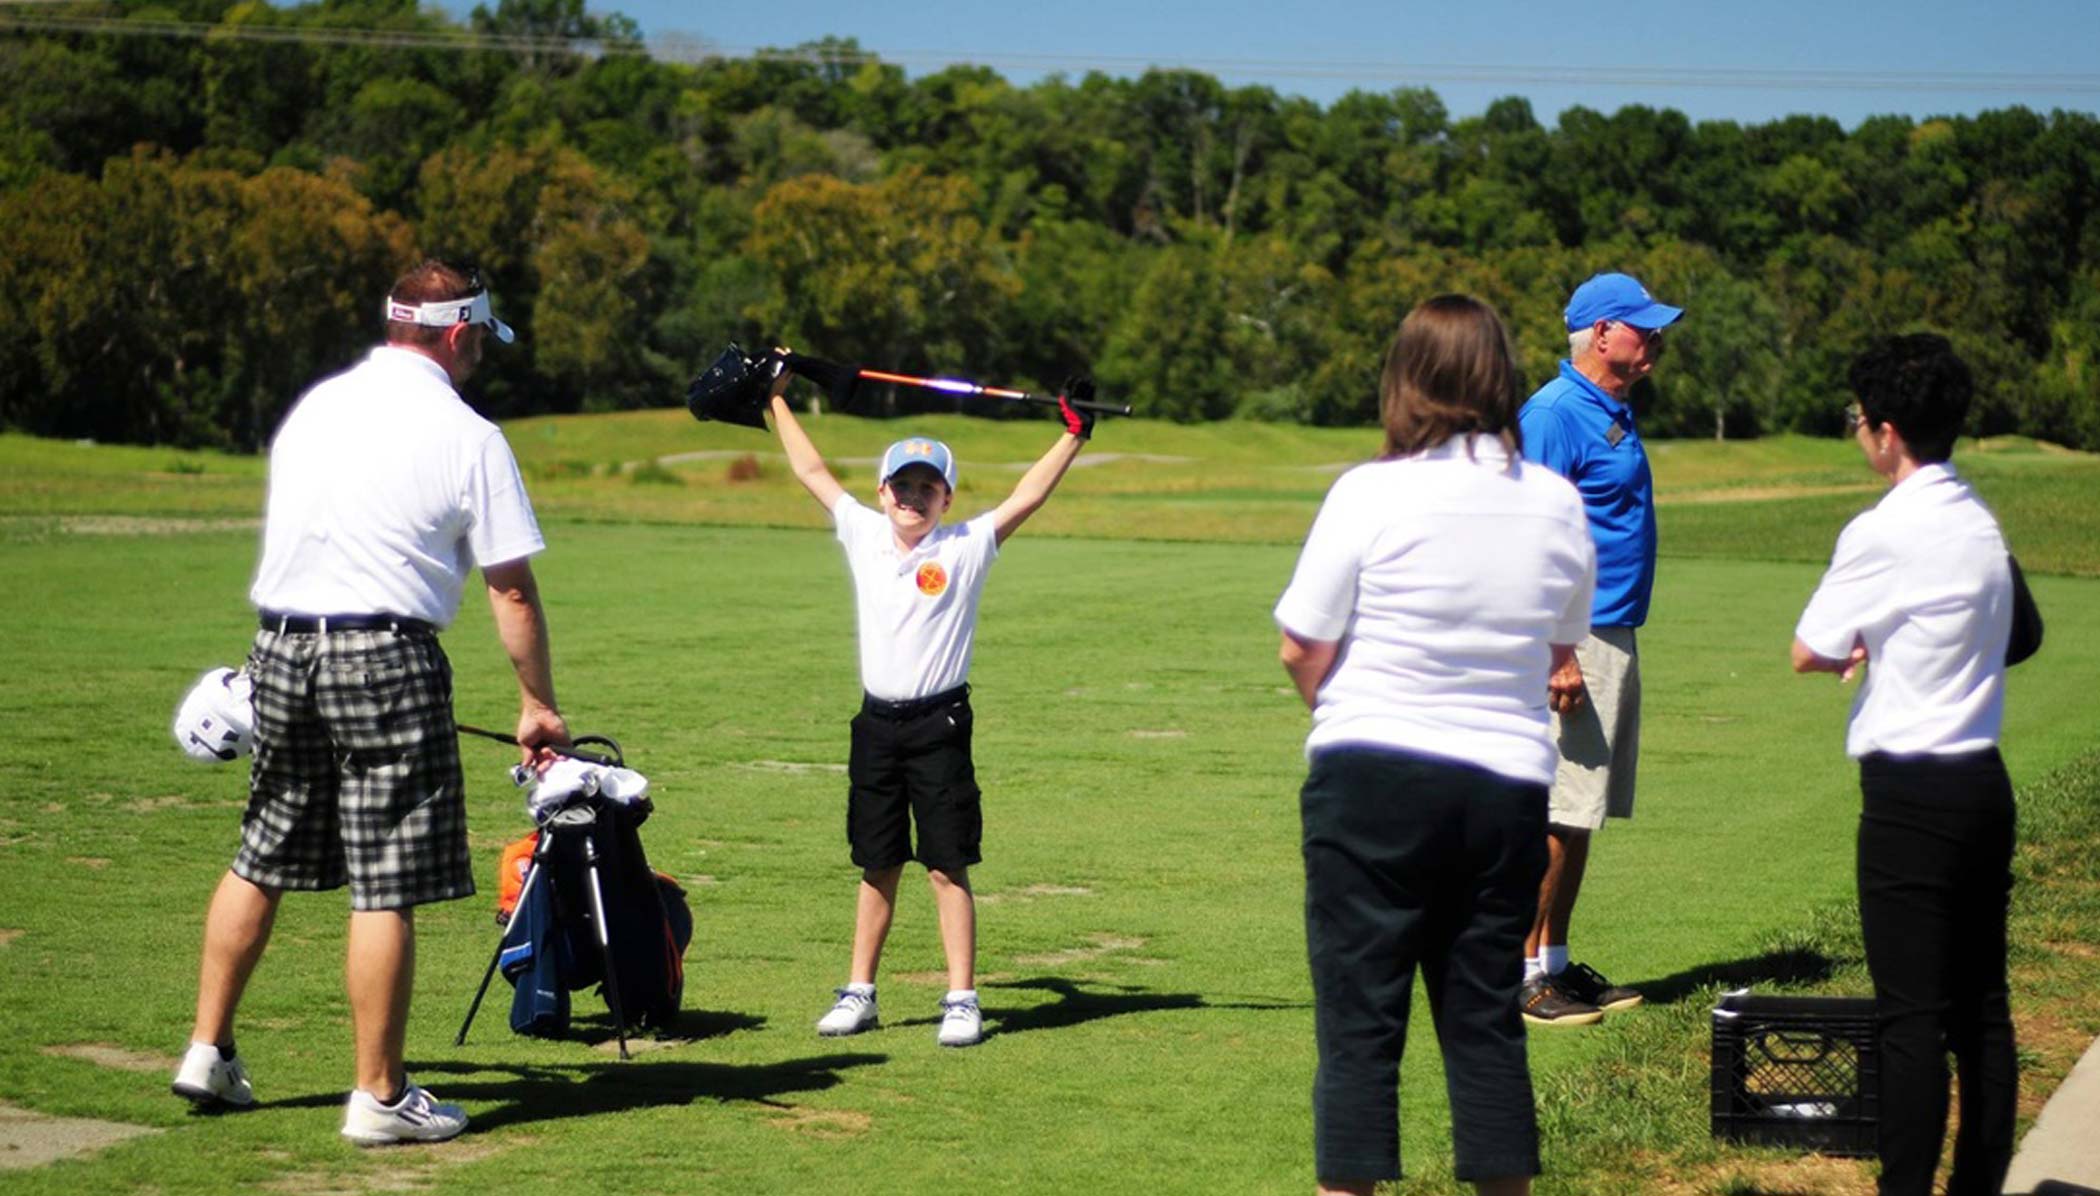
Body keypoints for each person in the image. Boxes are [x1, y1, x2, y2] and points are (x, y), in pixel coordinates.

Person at [171, 261, 569, 1145]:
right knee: (386, 882)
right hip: (385, 657)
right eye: (479, 341)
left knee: (261, 856)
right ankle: (380, 1097)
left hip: (279, 651)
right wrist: (538, 706)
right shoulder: (470, 435)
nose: (480, 356)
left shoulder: (317, 406)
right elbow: (510, 589)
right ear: (458, 334)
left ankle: (207, 1048)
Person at [1275, 295, 1596, 1196]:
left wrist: (1341, 715)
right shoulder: (1557, 503)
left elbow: (1302, 644)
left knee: (1359, 1031)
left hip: (1371, 776)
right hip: (1503, 788)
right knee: (1484, 1026)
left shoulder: (1369, 490)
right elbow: (1560, 639)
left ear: (1405, 380)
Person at [766, 358, 1093, 1048]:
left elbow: (1027, 497)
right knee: (877, 863)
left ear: (947, 498)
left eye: (928, 487)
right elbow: (812, 471)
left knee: (947, 864)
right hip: (876, 726)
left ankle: (962, 999)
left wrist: (1073, 435)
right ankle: (860, 993)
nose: (913, 496)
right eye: (903, 485)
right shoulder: (862, 533)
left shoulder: (966, 547)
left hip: (939, 726)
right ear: (882, 491)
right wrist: (776, 399)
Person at [1791, 334, 2019, 1196]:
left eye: (1860, 418)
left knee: (1911, 1018)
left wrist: (1864, 643)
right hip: (1982, 781)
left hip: (1908, 795)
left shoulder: (1882, 529)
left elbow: (1809, 649)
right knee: (1983, 1012)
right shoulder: (1980, 520)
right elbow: (2021, 632)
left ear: (1887, 433)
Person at [1512, 271, 1683, 1026]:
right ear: (1602, 333)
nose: (1657, 338)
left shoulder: (1609, 407)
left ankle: (1554, 963)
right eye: (1643, 326)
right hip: (1571, 636)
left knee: (1581, 811)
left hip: (1609, 628)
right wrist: (1557, 652)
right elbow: (1527, 537)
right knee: (1558, 810)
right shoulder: (1553, 413)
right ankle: (1520, 975)